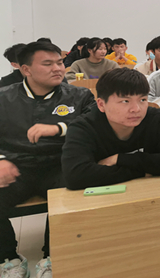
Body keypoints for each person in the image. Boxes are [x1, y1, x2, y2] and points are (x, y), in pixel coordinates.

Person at [0, 41, 95, 278]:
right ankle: (9, 259)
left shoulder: (79, 95)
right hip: (16, 166)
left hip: (60, 164)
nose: (58, 68)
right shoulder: (4, 98)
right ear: (26, 69)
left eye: (60, 62)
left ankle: (52, 257)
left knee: (73, 189)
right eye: (48, 63)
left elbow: (94, 124)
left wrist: (59, 128)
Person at [61, 68, 160, 192]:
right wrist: (143, 171)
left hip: (153, 193)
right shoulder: (83, 127)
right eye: (125, 101)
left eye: (142, 100)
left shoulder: (158, 119)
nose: (136, 109)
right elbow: (76, 176)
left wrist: (120, 159)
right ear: (101, 104)